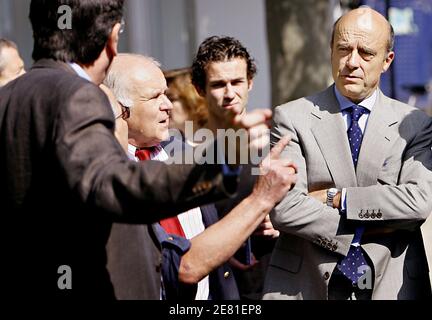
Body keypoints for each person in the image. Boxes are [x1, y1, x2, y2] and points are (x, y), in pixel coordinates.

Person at [0, 0, 292, 299]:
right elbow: (116, 187)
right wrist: (223, 160)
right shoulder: (77, 95)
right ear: (112, 38)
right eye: (154, 97)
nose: (166, 105)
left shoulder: (7, 98)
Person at [263, 7, 432, 300]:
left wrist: (337, 198)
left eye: (366, 53)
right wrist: (371, 225)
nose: (351, 62)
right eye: (343, 49)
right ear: (331, 51)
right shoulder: (292, 117)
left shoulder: (415, 124)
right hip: (307, 284)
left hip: (391, 283)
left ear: (386, 61)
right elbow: (285, 209)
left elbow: (417, 204)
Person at [104, 53, 297, 300]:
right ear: (122, 108)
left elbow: (214, 229)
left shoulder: (182, 149)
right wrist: (261, 199)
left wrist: (257, 226)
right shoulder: (113, 175)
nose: (168, 105)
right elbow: (182, 266)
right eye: (155, 97)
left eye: (167, 93)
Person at [191, 36, 280, 300]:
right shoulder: (187, 152)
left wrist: (280, 224)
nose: (230, 93)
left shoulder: (275, 142)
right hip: (213, 290)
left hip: (274, 285)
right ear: (199, 88)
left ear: (250, 82)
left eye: (237, 82)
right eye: (218, 84)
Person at [164, 67, 209, 143]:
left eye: (171, 99)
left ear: (193, 99)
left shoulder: (223, 142)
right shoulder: (167, 148)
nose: (164, 105)